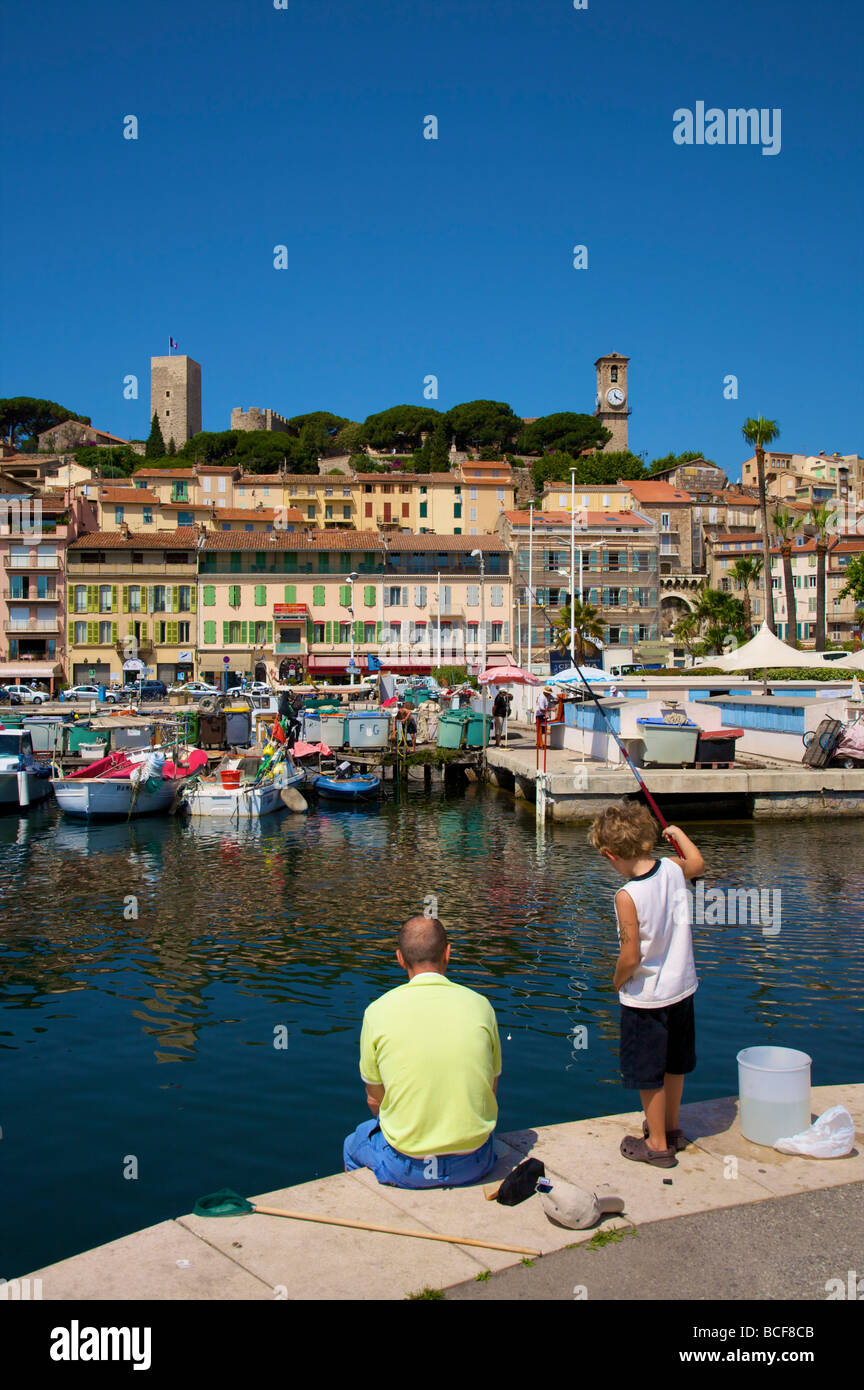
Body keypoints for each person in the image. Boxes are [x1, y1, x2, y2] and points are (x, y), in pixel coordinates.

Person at [343, 916, 501, 1188]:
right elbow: (491, 1086)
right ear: (448, 953)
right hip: (475, 1160)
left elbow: (374, 1100)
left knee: (353, 1143)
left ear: (400, 959)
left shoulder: (377, 1012)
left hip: (407, 1166)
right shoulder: (481, 1006)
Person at [588, 803, 705, 1168]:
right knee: (674, 1065)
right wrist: (679, 835)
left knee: (648, 1073)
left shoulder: (626, 896)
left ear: (611, 855)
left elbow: (631, 955)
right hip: (682, 990)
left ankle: (656, 1145)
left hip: (647, 1000)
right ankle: (670, 1129)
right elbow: (698, 866)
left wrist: (617, 981)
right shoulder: (672, 868)